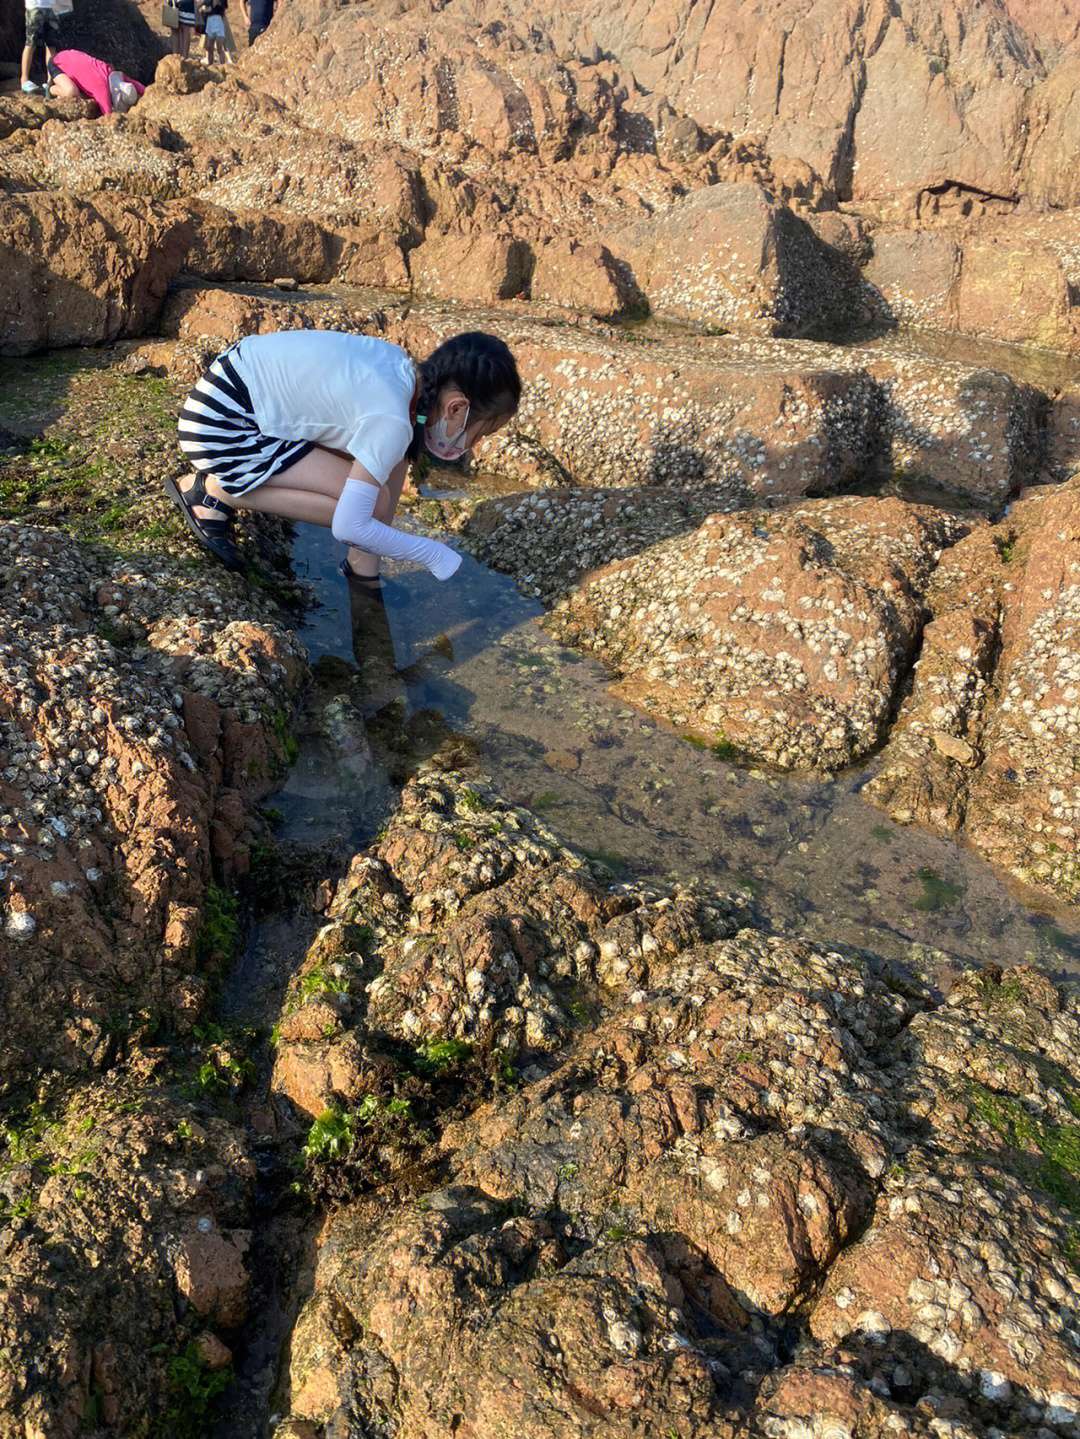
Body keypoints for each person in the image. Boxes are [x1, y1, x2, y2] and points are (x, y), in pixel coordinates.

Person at [166, 330, 522, 587]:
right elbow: (349, 525)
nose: (473, 445)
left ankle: (362, 569)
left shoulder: (401, 371)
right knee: (371, 505)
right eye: (482, 433)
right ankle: (213, 491)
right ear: (457, 407)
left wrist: (366, 572)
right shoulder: (393, 419)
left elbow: (389, 452)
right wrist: (431, 553)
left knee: (391, 461)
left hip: (229, 394)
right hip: (222, 425)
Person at [47, 50, 143, 114]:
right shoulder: (101, 88)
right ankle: (50, 89)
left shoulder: (115, 75)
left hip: (70, 56)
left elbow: (142, 88)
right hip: (58, 63)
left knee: (86, 94)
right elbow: (107, 116)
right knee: (72, 92)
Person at [21, 0, 66, 94]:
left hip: (53, 7)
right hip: (35, 6)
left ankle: (50, 81)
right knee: (31, 43)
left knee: (51, 45)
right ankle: (24, 80)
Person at [198, 0, 228, 65]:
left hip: (218, 20)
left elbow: (212, 8)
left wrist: (205, 10)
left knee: (219, 47)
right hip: (210, 21)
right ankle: (210, 64)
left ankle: (223, 65)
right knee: (209, 47)